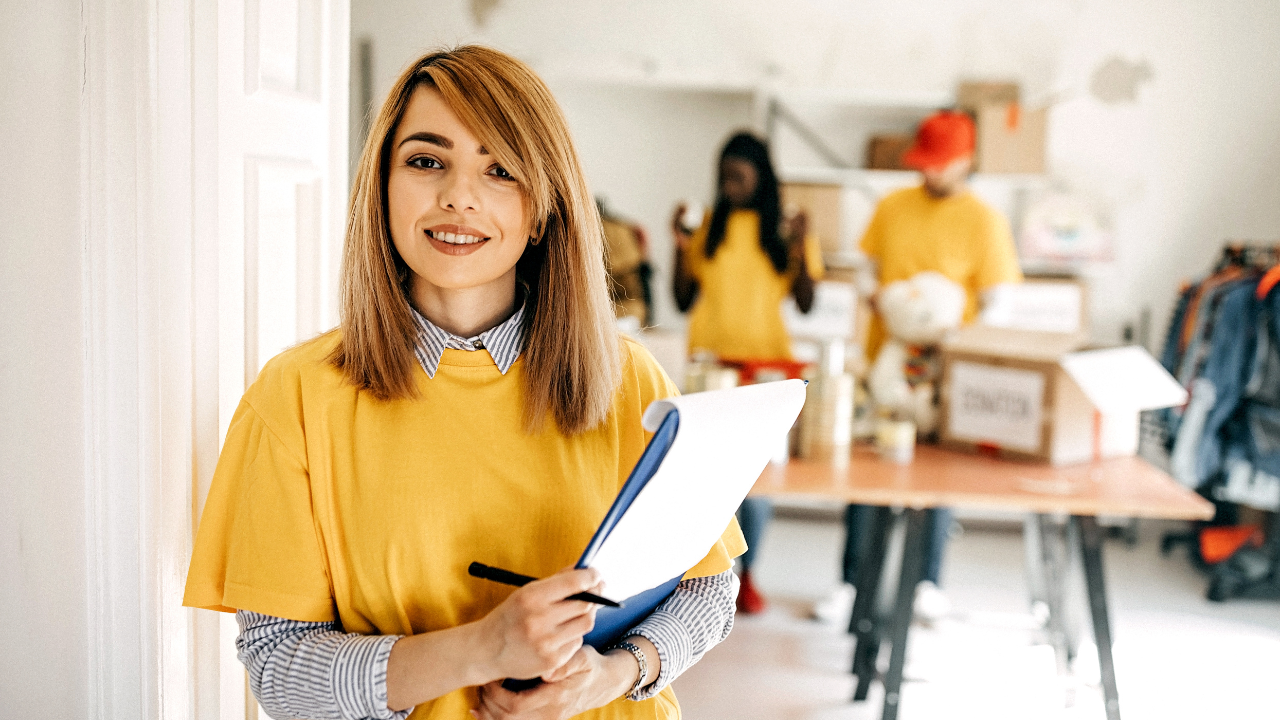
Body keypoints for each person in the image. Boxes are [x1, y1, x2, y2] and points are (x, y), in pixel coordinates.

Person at [183, 46, 745, 720]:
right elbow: (279, 670)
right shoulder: (295, 398)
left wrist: (613, 674)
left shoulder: (631, 382)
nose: (459, 195)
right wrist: (482, 649)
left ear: (543, 209)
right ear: (382, 186)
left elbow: (709, 588)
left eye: (501, 170)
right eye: (426, 161)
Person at [813, 110, 1022, 625]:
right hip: (885, 361)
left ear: (966, 162)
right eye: (922, 164)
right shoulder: (892, 206)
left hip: (942, 373)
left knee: (937, 476)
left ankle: (927, 582)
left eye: (938, 165)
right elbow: (866, 267)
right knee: (867, 473)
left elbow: (1000, 299)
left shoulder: (985, 221)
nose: (926, 174)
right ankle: (852, 584)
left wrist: (958, 338)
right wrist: (881, 298)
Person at [670, 132, 823, 614]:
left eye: (739, 175)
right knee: (705, 477)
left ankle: (748, 574)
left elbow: (806, 301)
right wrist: (679, 246)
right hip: (710, 370)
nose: (729, 184)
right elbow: (680, 298)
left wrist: (801, 245)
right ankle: (708, 573)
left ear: (762, 177)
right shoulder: (709, 227)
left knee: (755, 482)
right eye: (724, 176)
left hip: (765, 372)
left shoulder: (783, 230)